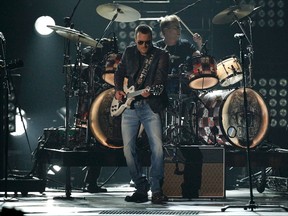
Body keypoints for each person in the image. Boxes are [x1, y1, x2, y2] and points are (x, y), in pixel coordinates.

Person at [114, 24, 170, 204]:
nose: (144, 46)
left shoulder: (161, 55)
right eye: (140, 43)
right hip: (130, 106)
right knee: (128, 150)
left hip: (150, 105)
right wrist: (117, 90)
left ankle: (156, 189)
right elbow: (119, 72)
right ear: (135, 40)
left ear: (151, 41)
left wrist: (152, 91)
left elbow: (160, 81)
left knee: (157, 149)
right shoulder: (129, 52)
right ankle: (140, 186)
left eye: (147, 43)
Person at [155, 14, 203, 94]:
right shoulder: (157, 47)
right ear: (166, 30)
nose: (179, 30)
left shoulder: (185, 44)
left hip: (184, 85)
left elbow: (198, 57)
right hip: (163, 87)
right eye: (176, 27)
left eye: (179, 27)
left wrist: (199, 44)